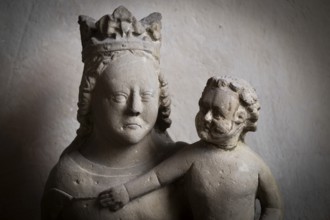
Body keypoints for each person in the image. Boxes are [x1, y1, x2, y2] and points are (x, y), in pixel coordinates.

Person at [41, 6, 191, 220]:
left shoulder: (183, 163)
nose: (135, 108)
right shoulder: (67, 180)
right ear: (90, 99)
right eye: (118, 97)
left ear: (160, 98)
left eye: (147, 96)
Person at [99, 76, 283, 220]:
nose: (207, 118)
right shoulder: (192, 156)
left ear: (240, 119)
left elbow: (273, 207)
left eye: (217, 114)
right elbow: (156, 177)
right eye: (203, 109)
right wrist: (126, 192)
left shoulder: (253, 164)